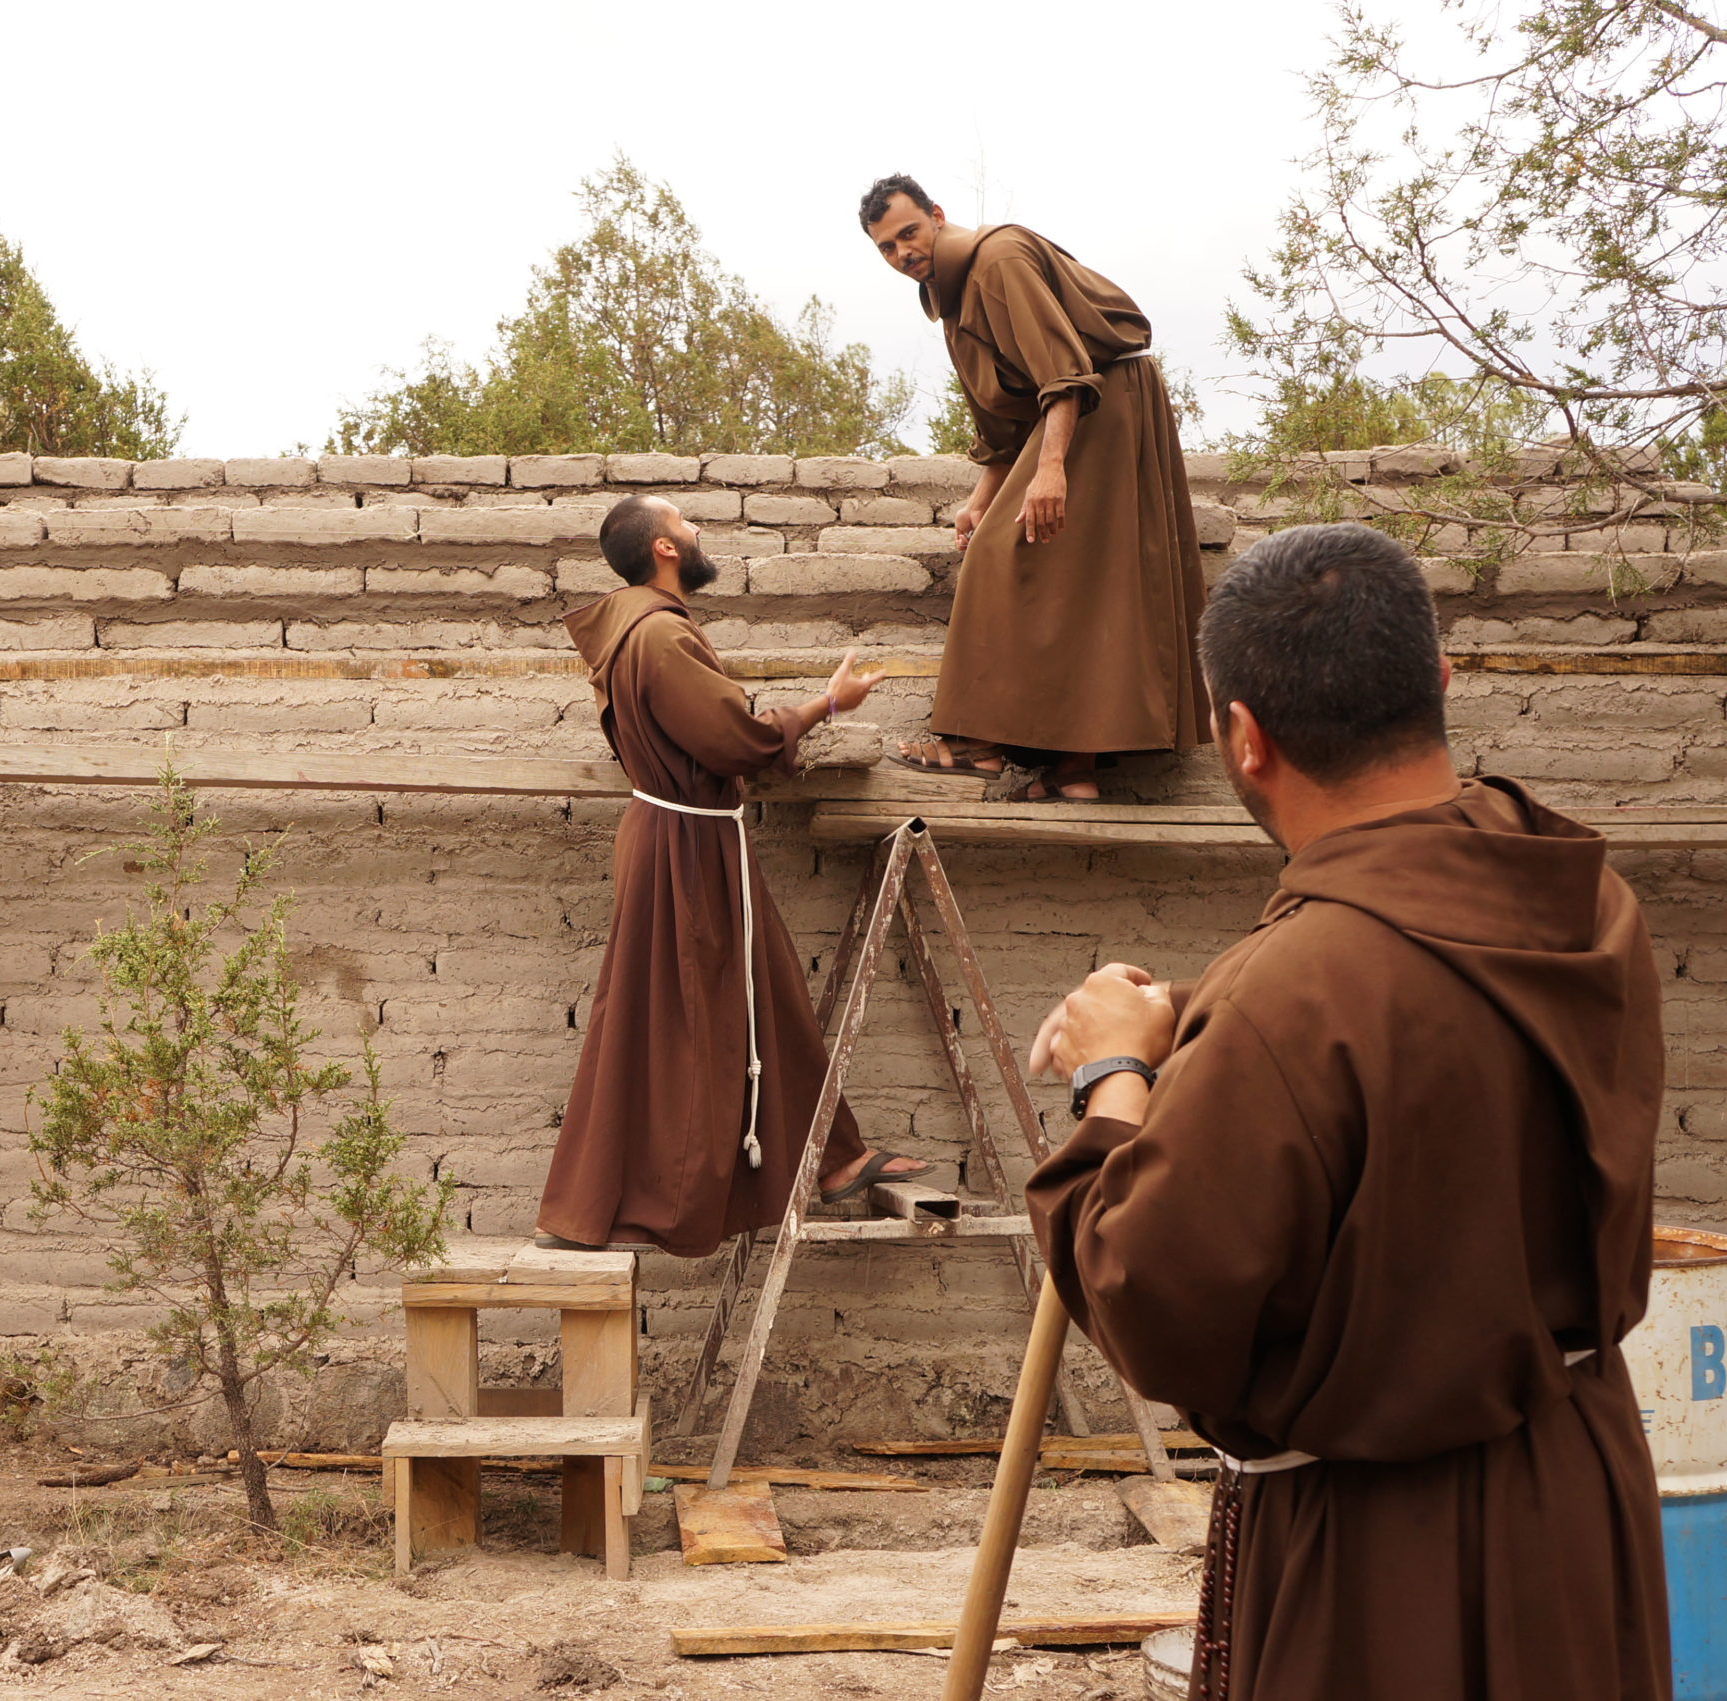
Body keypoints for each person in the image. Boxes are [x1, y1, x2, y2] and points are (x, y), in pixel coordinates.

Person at [1025, 522, 1668, 1700]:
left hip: (1382, 1567)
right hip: (1576, 1499)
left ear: (1244, 737)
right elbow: (1418, 1030)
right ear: (1439, 680)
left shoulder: (1289, 999)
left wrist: (1110, 1080)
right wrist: (1194, 1015)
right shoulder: (1582, 904)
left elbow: (1150, 1302)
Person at [535, 495, 932, 1258]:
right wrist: (828, 702)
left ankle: (831, 1155)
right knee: (685, 1019)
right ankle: (598, 1204)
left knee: (754, 994)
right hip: (685, 845)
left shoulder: (642, 630)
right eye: (685, 523)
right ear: (663, 549)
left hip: (684, 838)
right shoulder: (658, 635)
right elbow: (734, 737)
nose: (697, 532)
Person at [860, 172, 1209, 801]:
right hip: (1066, 416)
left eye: (908, 233)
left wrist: (1051, 470)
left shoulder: (998, 259)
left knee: (1005, 557)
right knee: (1072, 575)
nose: (902, 252)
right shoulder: (948, 297)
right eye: (886, 247)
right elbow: (1001, 425)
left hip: (1107, 404)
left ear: (936, 214)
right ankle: (1073, 771)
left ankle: (978, 746)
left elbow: (1065, 375)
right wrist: (979, 501)